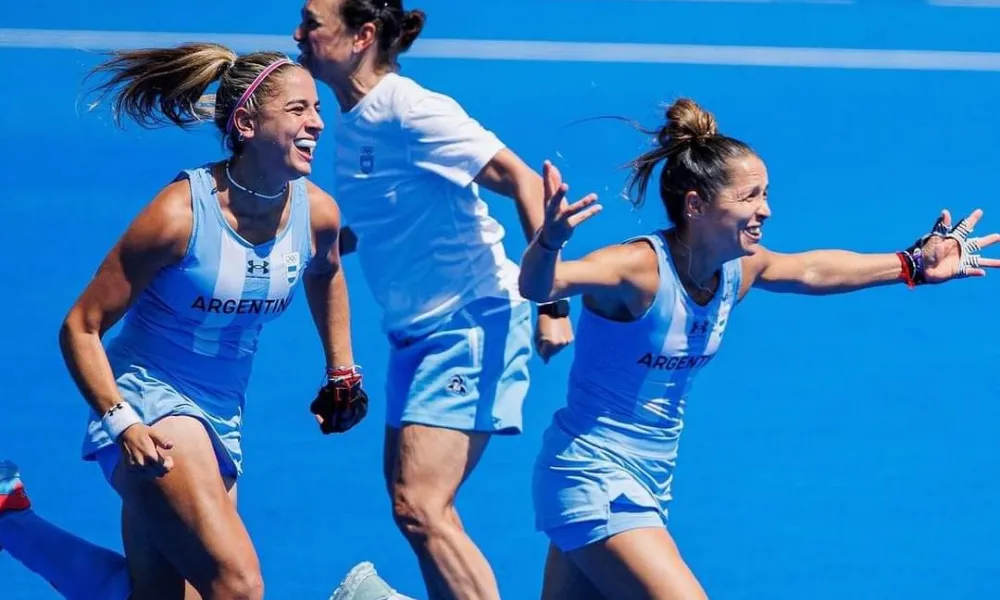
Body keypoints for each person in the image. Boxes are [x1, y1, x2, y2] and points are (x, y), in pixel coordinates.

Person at [520, 98, 999, 599]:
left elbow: (811, 270)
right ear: (696, 205)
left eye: (765, 194)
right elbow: (539, 286)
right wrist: (549, 242)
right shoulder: (634, 270)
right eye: (750, 197)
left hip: (650, 478)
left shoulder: (737, 268)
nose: (765, 210)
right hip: (590, 474)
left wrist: (913, 263)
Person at [0, 42, 373, 599]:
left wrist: (341, 368)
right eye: (298, 109)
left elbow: (326, 271)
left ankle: (11, 519)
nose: (318, 122)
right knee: (238, 587)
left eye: (317, 108)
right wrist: (120, 420)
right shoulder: (178, 216)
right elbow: (80, 326)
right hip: (151, 403)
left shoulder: (317, 212)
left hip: (224, 412)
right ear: (246, 123)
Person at [293, 1, 574, 598]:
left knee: (422, 505)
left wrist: (550, 305)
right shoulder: (352, 122)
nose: (298, 34)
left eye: (313, 22)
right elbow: (383, 219)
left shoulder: (411, 109)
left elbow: (521, 179)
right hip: (414, 336)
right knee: (411, 508)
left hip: (471, 320)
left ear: (362, 36)